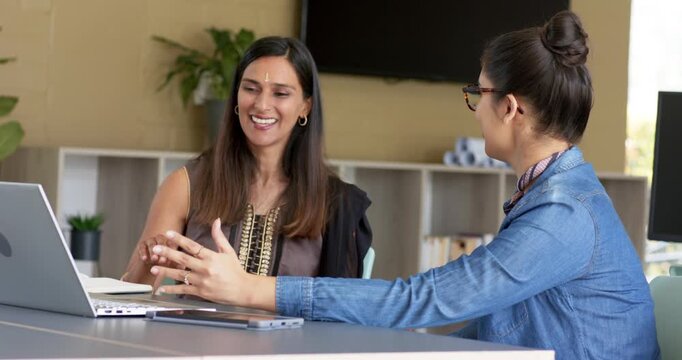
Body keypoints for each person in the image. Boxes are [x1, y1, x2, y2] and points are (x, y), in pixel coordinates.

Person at [147, 11, 659, 359]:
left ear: (510, 107)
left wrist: (253, 289)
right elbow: (490, 326)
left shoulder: (563, 216)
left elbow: (424, 299)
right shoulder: (551, 195)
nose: (474, 108)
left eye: (476, 94)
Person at [122, 36, 373, 287]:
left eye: (281, 93)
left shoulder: (337, 204)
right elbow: (132, 296)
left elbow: (339, 313)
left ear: (305, 107)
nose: (262, 105)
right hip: (192, 328)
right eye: (251, 89)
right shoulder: (186, 185)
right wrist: (148, 264)